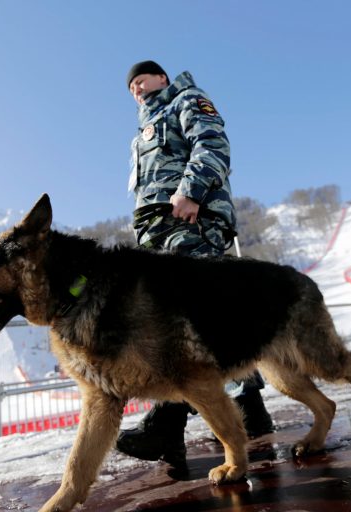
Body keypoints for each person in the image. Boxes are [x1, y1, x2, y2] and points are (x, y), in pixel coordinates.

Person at [116, 60, 274, 468]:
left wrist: (191, 192)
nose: (136, 88)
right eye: (131, 85)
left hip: (191, 220)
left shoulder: (185, 100)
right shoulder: (141, 134)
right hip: (159, 235)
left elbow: (212, 144)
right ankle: (251, 410)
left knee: (190, 322)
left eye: (141, 79)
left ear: (162, 78)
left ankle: (167, 427)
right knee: (212, 320)